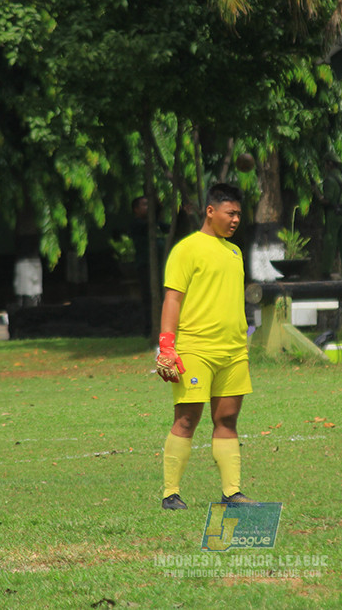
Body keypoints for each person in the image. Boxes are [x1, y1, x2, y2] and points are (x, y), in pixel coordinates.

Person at [156, 183, 256, 510]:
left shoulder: (235, 252)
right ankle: (171, 494)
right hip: (196, 350)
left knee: (227, 419)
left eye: (239, 214)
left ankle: (232, 493)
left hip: (233, 352)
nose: (236, 219)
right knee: (187, 419)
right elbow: (173, 299)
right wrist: (167, 346)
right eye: (231, 213)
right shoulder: (188, 249)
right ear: (210, 212)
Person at [129, 196, 168, 335]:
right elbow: (150, 224)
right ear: (136, 209)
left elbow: (169, 228)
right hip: (145, 265)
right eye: (145, 205)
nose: (148, 208)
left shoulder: (155, 223)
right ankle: (149, 329)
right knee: (149, 297)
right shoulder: (137, 224)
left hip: (160, 266)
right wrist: (157, 207)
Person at [319, 154, 342, 280]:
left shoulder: (329, 180)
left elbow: (326, 200)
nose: (325, 166)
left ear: (330, 164)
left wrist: (318, 194)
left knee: (330, 241)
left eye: (326, 163)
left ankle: (326, 272)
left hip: (334, 213)